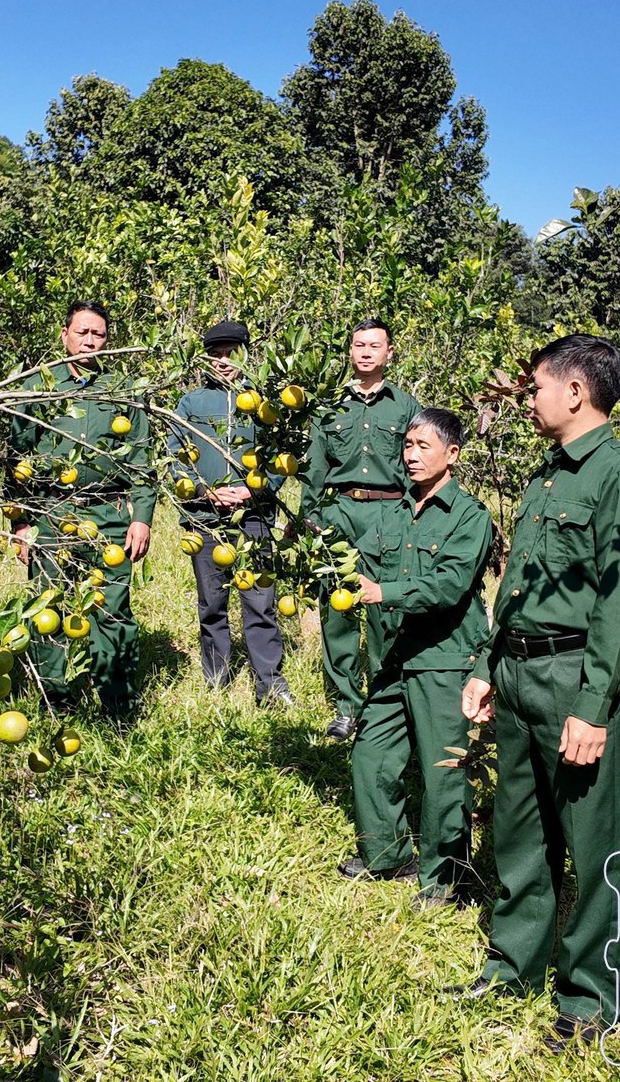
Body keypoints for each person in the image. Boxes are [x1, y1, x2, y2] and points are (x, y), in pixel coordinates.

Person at [455, 334, 620, 1053]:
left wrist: (593, 706)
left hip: (577, 676)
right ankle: (513, 966)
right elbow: (516, 587)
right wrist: (486, 663)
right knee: (519, 833)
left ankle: (588, 999)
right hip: (517, 672)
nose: (529, 397)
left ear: (575, 392)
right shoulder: (547, 476)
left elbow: (619, 601)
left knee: (591, 843)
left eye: (538, 385)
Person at [341, 408, 490, 907]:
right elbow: (354, 563)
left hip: (446, 659)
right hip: (396, 656)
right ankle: (387, 855)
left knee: (443, 771)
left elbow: (447, 585)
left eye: (424, 446)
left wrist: (382, 591)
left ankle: (445, 880)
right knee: (372, 753)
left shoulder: (469, 517)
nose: (411, 455)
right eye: (407, 445)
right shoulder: (392, 512)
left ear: (452, 454)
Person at [9, 300, 156, 715]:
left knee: (112, 609)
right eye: (82, 332)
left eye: (99, 334)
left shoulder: (124, 391)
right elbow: (16, 460)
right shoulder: (38, 388)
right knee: (49, 610)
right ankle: (57, 702)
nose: (90, 341)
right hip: (52, 515)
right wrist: (20, 521)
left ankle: (119, 706)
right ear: (64, 335)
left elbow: (143, 462)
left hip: (108, 515)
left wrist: (141, 518)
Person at [299, 318, 419, 742]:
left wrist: (413, 519)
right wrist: (309, 519)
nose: (366, 352)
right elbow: (314, 468)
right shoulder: (329, 405)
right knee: (338, 610)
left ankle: (384, 704)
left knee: (386, 612)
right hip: (338, 514)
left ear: (389, 353)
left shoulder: (406, 407)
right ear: (349, 352)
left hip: (389, 516)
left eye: (375, 345)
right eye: (358, 345)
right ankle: (347, 705)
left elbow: (416, 467)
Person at [170, 318, 291, 703]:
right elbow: (175, 458)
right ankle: (217, 682)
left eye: (231, 353)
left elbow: (279, 457)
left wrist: (256, 490)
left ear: (245, 355)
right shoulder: (191, 402)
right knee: (212, 603)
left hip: (254, 518)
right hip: (205, 518)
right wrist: (206, 492)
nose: (223, 362)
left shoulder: (264, 403)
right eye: (215, 354)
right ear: (205, 359)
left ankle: (269, 684)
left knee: (260, 602)